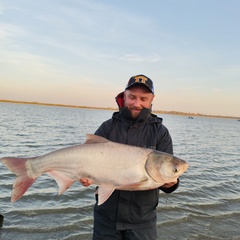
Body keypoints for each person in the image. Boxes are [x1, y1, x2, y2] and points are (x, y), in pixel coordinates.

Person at [80, 74, 179, 240]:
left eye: (143, 98)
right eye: (132, 97)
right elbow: (86, 160)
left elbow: (168, 175)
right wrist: (85, 176)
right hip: (106, 219)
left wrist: (171, 184)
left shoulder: (160, 132)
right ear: (124, 96)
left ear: (151, 100)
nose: (136, 103)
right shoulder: (108, 127)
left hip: (142, 221)